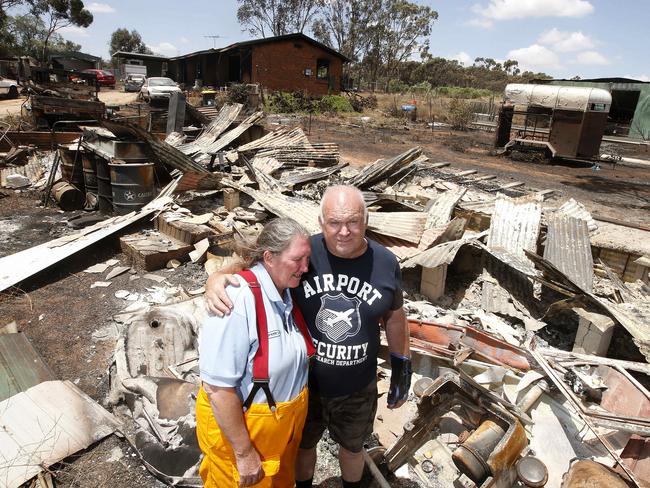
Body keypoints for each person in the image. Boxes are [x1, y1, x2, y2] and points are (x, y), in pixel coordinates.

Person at [205, 185, 412, 488]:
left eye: (353, 221)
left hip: (358, 385)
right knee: (303, 447)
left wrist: (401, 365)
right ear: (320, 221)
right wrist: (216, 278)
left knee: (353, 447)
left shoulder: (385, 262)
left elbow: (394, 315)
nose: (344, 231)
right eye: (334, 222)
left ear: (366, 220)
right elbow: (256, 263)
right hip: (305, 385)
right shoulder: (304, 251)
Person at [196, 218, 314, 487]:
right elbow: (218, 388)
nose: (306, 268)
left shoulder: (284, 288)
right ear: (269, 257)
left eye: (307, 259)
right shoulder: (237, 300)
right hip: (247, 435)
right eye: (298, 259)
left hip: (281, 431)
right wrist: (244, 453)